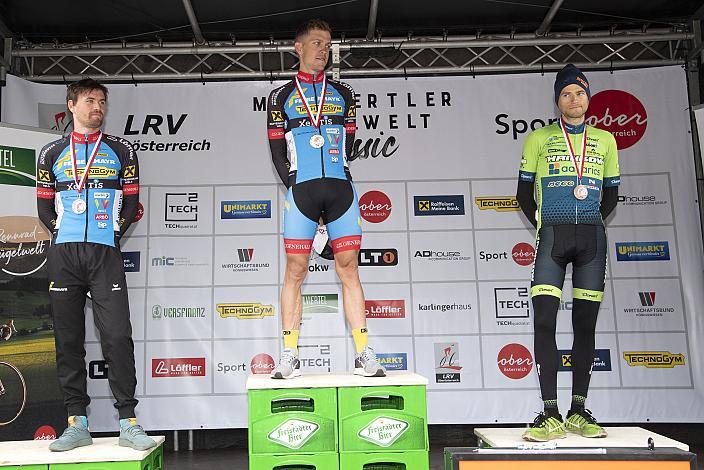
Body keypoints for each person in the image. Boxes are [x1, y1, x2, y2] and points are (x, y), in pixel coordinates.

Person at [36, 78, 155, 451]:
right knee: (68, 340)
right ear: (71, 105)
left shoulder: (122, 150)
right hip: (65, 255)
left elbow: (133, 205)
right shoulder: (51, 152)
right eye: (90, 101)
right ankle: (77, 422)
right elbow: (43, 208)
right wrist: (66, 234)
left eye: (102, 101)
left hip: (105, 253)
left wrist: (110, 235)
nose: (97, 107)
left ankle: (129, 422)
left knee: (117, 336)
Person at [266, 19, 385, 379]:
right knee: (295, 271)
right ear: (297, 48)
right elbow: (276, 154)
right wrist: (295, 186)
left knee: (349, 268)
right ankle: (289, 355)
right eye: (316, 43)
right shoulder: (280, 97)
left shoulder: (345, 93)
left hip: (340, 190)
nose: (324, 49)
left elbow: (347, 146)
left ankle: (364, 353)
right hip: (301, 191)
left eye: (328, 44)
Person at [516, 64, 620, 441]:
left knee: (585, 326)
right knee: (544, 321)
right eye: (566, 94)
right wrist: (544, 223)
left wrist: (592, 218)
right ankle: (549, 413)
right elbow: (523, 194)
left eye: (579, 93)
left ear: (588, 98)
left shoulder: (606, 140)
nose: (574, 100)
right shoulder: (539, 139)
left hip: (592, 239)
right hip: (553, 239)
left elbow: (611, 192)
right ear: (558, 101)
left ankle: (579, 410)